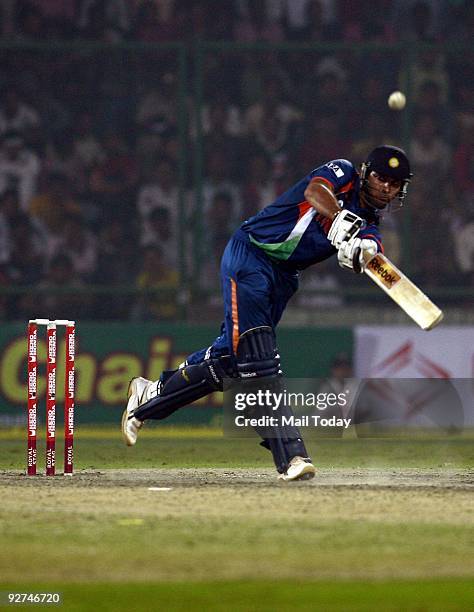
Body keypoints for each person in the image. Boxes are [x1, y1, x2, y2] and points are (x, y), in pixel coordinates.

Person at [121, 144, 412, 482]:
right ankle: (291, 455)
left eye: (395, 183)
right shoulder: (343, 173)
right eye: (381, 178)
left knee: (233, 361)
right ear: (365, 174)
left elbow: (369, 251)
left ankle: (151, 395)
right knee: (259, 359)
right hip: (252, 255)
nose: (386, 188)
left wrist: (362, 251)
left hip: (284, 278)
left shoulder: (370, 224)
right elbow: (314, 191)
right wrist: (339, 221)